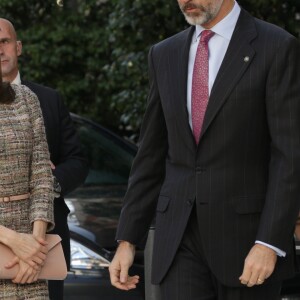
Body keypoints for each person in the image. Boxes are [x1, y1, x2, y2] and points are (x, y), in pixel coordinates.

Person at [109, 0, 300, 299]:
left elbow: (289, 155)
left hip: (246, 242)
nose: (186, 0)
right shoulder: (164, 54)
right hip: (178, 239)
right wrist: (128, 239)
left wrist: (269, 243)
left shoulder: (276, 46)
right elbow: (151, 152)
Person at [0, 18, 89, 299]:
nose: (0, 50)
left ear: (18, 46)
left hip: (42, 234)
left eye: (4, 41)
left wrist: (35, 246)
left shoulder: (41, 99)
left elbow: (70, 162)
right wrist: (16, 242)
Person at [0, 62, 54, 298]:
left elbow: (42, 172)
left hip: (31, 254)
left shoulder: (26, 98)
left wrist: (36, 246)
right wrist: (13, 240)